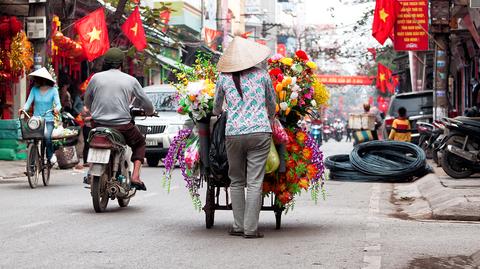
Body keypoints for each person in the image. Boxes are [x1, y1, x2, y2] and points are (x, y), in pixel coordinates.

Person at [213, 36, 275, 239]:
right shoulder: (262, 75)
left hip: (233, 133)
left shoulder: (223, 78)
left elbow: (216, 108)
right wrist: (270, 118)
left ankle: (238, 225)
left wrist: (224, 110)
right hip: (259, 132)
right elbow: (271, 103)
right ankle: (250, 229)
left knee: (236, 180)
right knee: (255, 181)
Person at [84, 48, 154, 191]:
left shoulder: (96, 78)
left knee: (91, 141)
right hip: (122, 126)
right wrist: (150, 112)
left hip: (98, 124)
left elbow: (87, 101)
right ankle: (135, 176)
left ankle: (90, 169)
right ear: (121, 64)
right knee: (140, 143)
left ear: (106, 62)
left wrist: (95, 112)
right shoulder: (131, 80)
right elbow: (147, 104)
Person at [20, 67, 61, 164]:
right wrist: (23, 109)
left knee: (47, 137)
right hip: (36, 120)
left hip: (48, 120)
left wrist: (56, 109)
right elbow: (28, 103)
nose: (35, 80)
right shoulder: (34, 90)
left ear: (43, 80)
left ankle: (50, 156)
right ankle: (32, 164)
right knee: (32, 139)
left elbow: (59, 105)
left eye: (37, 79)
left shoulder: (53, 90)